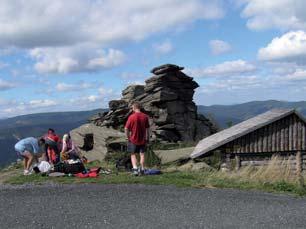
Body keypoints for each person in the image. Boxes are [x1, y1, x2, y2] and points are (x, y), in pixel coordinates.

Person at [124, 102, 150, 176]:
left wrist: (128, 137)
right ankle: (142, 169)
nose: (132, 109)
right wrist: (147, 138)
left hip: (133, 139)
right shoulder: (145, 116)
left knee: (133, 154)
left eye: (132, 108)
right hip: (143, 139)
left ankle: (135, 169)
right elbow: (147, 129)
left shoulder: (131, 117)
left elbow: (126, 128)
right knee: (142, 154)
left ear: (134, 108)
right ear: (140, 108)